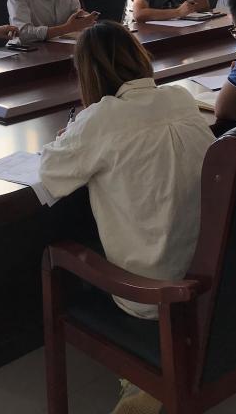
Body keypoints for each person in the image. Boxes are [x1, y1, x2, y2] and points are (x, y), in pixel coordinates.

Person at [38, 22, 213, 414]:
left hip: (150, 290)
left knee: (64, 242)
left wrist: (75, 129)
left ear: (87, 74)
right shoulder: (179, 97)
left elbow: (49, 172)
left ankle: (142, 374)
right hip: (206, 268)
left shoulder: (100, 118)